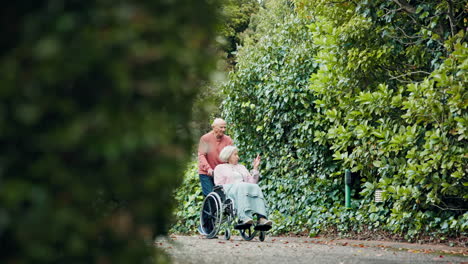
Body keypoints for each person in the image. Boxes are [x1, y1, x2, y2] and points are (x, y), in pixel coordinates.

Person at [214, 146, 272, 227]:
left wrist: (255, 168)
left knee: (256, 187)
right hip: (229, 191)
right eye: (235, 154)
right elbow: (219, 185)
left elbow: (252, 183)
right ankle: (244, 217)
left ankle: (261, 217)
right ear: (228, 155)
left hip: (243, 189)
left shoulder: (242, 167)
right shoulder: (220, 168)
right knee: (242, 186)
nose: (238, 157)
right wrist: (235, 185)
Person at [198, 118, 233, 196]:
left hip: (221, 173)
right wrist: (208, 169)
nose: (223, 129)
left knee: (223, 197)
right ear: (214, 127)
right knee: (211, 196)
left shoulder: (228, 140)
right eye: (221, 127)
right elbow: (201, 155)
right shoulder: (205, 138)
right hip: (206, 172)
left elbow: (230, 157)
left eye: (225, 127)